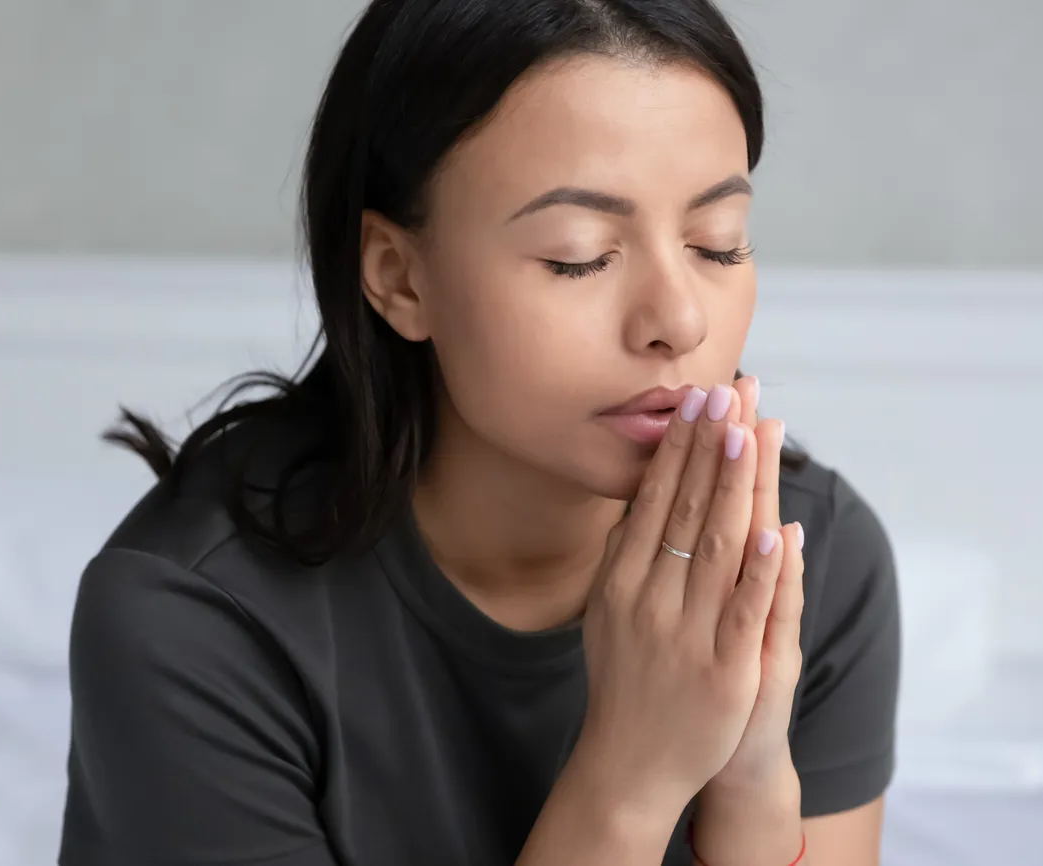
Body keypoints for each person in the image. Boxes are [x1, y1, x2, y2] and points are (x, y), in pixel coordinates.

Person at [58, 0, 901, 864]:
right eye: (578, 255)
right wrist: (631, 777)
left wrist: (752, 782)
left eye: (718, 245)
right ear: (400, 278)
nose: (679, 321)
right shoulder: (192, 621)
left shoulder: (815, 558)